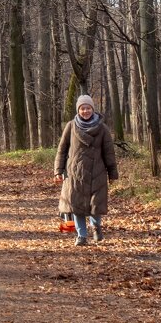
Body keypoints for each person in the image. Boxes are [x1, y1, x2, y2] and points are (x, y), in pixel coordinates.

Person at [54, 94, 119, 246]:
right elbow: (62, 149)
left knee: (95, 205)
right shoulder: (71, 126)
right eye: (82, 108)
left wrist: (112, 173)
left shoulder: (102, 128)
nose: (85, 111)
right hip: (74, 174)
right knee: (77, 206)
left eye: (88, 108)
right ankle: (81, 235)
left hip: (97, 173)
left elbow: (109, 152)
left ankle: (96, 227)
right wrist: (58, 170)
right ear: (78, 110)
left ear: (93, 109)